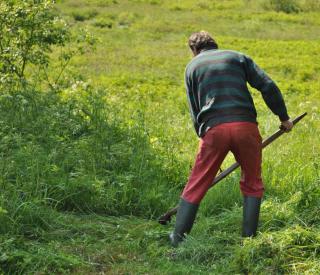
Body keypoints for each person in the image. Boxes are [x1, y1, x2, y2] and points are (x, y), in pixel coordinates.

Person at [169, 31, 293, 247]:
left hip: (214, 129)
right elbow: (268, 86)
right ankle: (249, 242)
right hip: (246, 127)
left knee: (196, 183)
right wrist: (284, 118)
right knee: (253, 183)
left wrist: (204, 138)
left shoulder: (192, 67)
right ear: (215, 45)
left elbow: (194, 109)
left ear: (194, 50)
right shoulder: (238, 57)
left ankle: (177, 239)